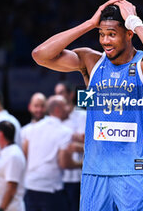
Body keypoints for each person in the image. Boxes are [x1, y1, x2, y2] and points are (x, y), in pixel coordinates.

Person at [32, 0, 143, 210]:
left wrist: (136, 23)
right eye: (101, 34)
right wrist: (90, 23)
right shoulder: (91, 61)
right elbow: (40, 55)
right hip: (94, 171)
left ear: (129, 34)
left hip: (133, 171)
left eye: (112, 34)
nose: (105, 41)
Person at [23, 95, 82, 211]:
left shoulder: (32, 129)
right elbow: (64, 163)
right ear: (57, 109)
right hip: (50, 189)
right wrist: (81, 164)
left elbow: (25, 153)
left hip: (30, 186)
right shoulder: (64, 132)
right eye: (65, 105)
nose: (68, 108)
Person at [54, 81, 86, 211]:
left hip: (77, 176)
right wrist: (74, 138)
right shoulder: (55, 118)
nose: (59, 97)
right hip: (58, 177)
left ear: (71, 95)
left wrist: (75, 142)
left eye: (61, 93)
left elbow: (87, 141)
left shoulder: (83, 115)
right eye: (56, 94)